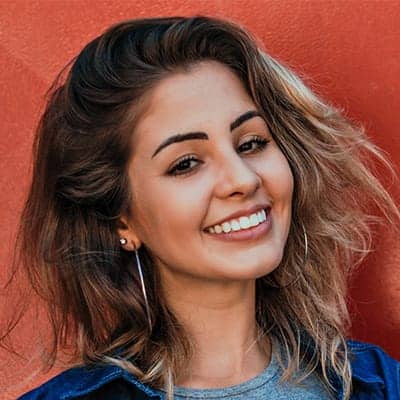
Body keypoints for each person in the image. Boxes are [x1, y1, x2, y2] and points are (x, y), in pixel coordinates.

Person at [6, 15, 400, 400]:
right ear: (121, 219)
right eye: (186, 164)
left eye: (251, 143)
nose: (243, 179)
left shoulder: (381, 385)